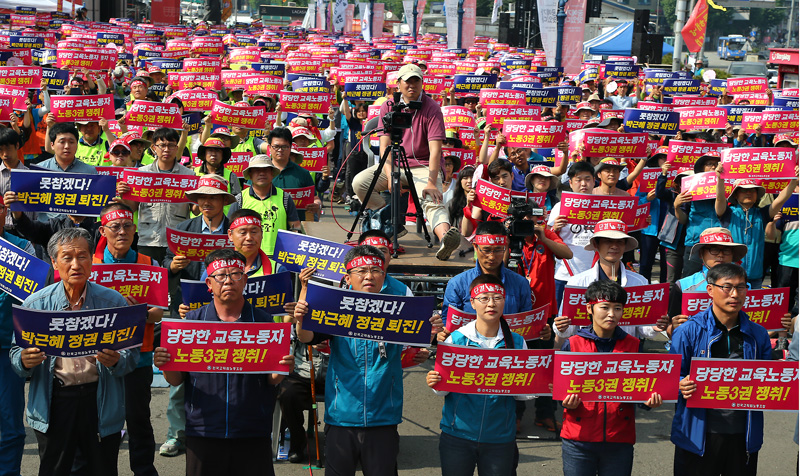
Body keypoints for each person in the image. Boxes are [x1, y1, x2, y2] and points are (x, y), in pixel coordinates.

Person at [292, 245, 437, 476]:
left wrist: (431, 331)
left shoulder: (400, 309)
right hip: (342, 415)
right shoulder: (335, 308)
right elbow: (307, 337)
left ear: (384, 276)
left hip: (384, 415)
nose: (369, 276)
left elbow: (417, 346)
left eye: (375, 270)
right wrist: (301, 320)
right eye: (361, 271)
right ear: (347, 278)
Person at [10, 227, 139, 476]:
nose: (75, 264)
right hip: (56, 401)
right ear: (54, 263)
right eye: (67, 257)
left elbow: (131, 357)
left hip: (99, 400)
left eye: (82, 256)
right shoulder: (36, 305)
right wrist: (25, 360)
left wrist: (116, 361)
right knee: (54, 469)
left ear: (92, 259)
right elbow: (16, 356)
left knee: (101, 468)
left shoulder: (113, 303)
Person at [154, 249, 295, 475]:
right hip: (203, 429)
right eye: (221, 275)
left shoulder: (263, 321)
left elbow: (272, 380)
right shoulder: (192, 322)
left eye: (236, 274)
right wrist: (165, 363)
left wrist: (282, 368)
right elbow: (177, 379)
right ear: (209, 283)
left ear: (245, 280)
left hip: (252, 428)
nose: (228, 280)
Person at [352, 63, 462, 261]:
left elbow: (436, 149)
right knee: (360, 183)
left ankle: (445, 238)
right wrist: (388, 174)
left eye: (416, 81)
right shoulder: (388, 105)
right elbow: (384, 145)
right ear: (398, 84)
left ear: (422, 83)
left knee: (432, 200)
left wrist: (430, 181)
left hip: (423, 165)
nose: (411, 86)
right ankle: (388, 221)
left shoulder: (432, 108)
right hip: (393, 163)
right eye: (407, 81)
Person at [670, 263, 772, 476]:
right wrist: (680, 385)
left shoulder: (758, 334)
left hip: (743, 433)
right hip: (697, 433)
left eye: (741, 287)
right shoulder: (688, 331)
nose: (735, 294)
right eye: (727, 287)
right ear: (710, 290)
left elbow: (767, 378)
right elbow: (670, 378)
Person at [426, 275, 531, 476]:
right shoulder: (455, 340)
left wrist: (540, 384)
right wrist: (435, 382)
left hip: (500, 437)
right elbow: (442, 391)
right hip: (457, 434)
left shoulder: (517, 343)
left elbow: (522, 395)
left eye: (497, 297)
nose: (491, 303)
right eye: (484, 298)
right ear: (472, 303)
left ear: (505, 300)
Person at [160, 174, 234, 457]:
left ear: (224, 201)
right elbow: (165, 262)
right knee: (180, 373)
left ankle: (219, 430)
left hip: (226, 313)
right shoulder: (183, 228)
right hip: (186, 311)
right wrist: (174, 264)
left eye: (213, 197)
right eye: (202, 197)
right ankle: (176, 435)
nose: (206, 202)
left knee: (225, 371)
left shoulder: (233, 232)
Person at [560, 280, 663, 476]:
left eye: (617, 308)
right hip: (578, 439)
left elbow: (641, 389)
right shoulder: (572, 345)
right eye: (604, 307)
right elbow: (560, 390)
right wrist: (565, 402)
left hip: (619, 439)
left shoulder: (633, 345)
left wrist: (650, 401)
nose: (611, 314)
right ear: (589, 308)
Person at [93, 204, 163, 476]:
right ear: (103, 230)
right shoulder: (92, 265)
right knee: (102, 420)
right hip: (100, 355)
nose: (121, 232)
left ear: (135, 230)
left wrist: (136, 313)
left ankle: (144, 470)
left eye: (127, 226)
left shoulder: (149, 263)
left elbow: (157, 313)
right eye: (115, 227)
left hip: (140, 354)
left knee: (138, 419)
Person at [553, 219, 668, 344]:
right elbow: (567, 329)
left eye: (619, 242)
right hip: (588, 353)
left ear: (625, 246)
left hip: (624, 353)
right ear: (596, 245)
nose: (614, 246)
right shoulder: (577, 282)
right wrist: (560, 326)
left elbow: (643, 329)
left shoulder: (639, 282)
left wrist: (655, 327)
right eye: (608, 241)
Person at [117, 127, 193, 264]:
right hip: (148, 239)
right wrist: (124, 195)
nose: (166, 149)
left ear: (177, 147)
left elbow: (195, 209)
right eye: (162, 145)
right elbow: (132, 208)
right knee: (149, 281)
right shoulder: (141, 174)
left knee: (174, 283)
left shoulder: (188, 176)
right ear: (153, 148)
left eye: (171, 145)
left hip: (177, 239)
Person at [441, 221, 533, 328]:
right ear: (475, 247)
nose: (492, 257)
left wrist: (539, 331)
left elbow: (527, 323)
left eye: (498, 250)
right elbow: (448, 322)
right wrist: (442, 332)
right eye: (486, 250)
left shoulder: (520, 284)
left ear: (506, 247)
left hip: (508, 343)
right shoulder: (457, 284)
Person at [0, 199, 35, 476]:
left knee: (11, 423)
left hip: (8, 346)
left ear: (6, 213)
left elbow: (30, 297)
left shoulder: (21, 247)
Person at [715, 174, 798, 289]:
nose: (748, 193)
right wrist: (720, 178)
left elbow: (781, 199)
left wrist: (794, 179)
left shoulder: (762, 214)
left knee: (753, 306)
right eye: (744, 190)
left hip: (755, 276)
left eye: (752, 190)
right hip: (730, 275)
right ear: (735, 195)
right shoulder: (727, 213)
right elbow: (719, 198)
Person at [668, 228, 748, 334]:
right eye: (714, 250)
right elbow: (670, 328)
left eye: (726, 250)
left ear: (733, 255)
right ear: (701, 254)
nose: (720, 255)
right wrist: (674, 327)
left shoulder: (746, 288)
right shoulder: (683, 286)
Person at [227, 154, 301, 255]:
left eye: (266, 170)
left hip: (278, 258)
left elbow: (295, 228)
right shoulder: (240, 199)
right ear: (250, 174)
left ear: (272, 173)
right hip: (247, 257)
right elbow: (230, 230)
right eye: (257, 170)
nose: (262, 173)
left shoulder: (285, 198)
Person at [548, 161, 597, 307]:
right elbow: (549, 237)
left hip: (595, 273)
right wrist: (555, 228)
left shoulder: (603, 206)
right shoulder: (560, 206)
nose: (583, 184)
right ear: (570, 183)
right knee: (562, 321)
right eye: (578, 180)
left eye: (587, 179)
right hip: (565, 273)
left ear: (594, 181)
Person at [267, 127, 322, 218]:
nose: (280, 150)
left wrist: (317, 204)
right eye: (276, 147)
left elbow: (315, 198)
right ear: (269, 147)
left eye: (284, 146)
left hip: (295, 227)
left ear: (291, 147)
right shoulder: (260, 171)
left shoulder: (303, 174)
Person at [0, 127, 35, 229]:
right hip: (3, 230)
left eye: (8, 148)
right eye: (0, 150)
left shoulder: (30, 174)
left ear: (17, 145)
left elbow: (36, 206)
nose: (5, 154)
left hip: (26, 228)